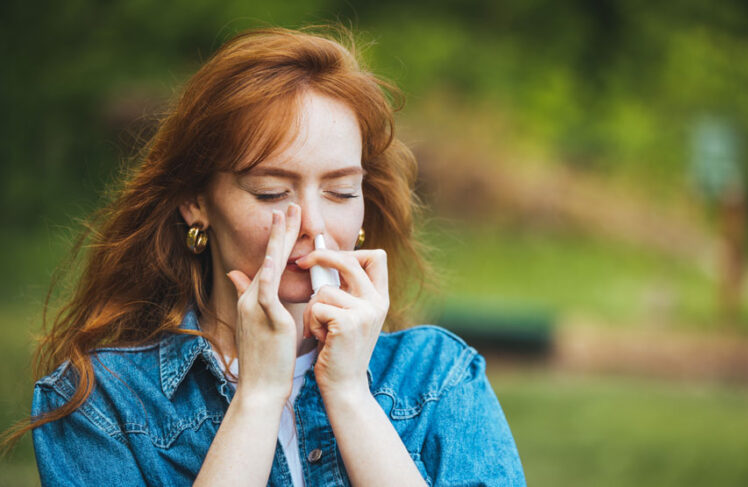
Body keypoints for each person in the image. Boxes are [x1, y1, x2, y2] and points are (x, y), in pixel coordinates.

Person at [22, 27, 526, 486]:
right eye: (271, 192)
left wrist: (350, 394)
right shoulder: (102, 402)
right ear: (196, 203)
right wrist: (258, 398)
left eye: (341, 192)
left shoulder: (440, 377)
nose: (313, 223)